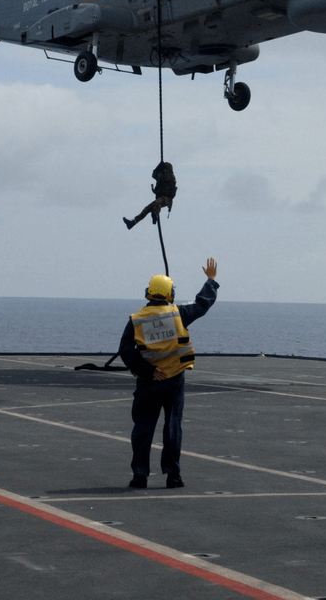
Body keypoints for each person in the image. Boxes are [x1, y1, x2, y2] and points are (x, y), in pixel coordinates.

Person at [118, 258, 219, 489]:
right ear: (170, 294)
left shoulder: (136, 320)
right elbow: (202, 304)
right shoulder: (179, 314)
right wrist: (211, 280)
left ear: (148, 293)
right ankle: (173, 475)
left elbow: (125, 350)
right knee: (173, 427)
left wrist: (148, 371)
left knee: (143, 428)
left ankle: (140, 475)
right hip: (174, 380)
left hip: (148, 381)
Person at [123, 161, 176, 230]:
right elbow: (154, 175)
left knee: (158, 202)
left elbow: (162, 178)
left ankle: (155, 214)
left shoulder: (170, 176)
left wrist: (160, 169)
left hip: (167, 199)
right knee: (147, 209)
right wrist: (158, 167)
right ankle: (132, 223)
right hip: (161, 198)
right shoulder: (162, 175)